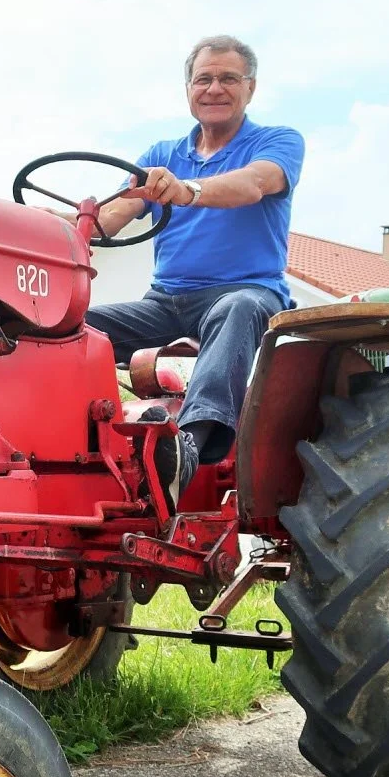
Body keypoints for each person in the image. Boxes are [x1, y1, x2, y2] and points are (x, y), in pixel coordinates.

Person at [82, 35, 305, 504]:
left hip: (246, 291)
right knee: (75, 326)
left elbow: (254, 183)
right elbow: (106, 220)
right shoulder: (161, 154)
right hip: (164, 302)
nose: (214, 88)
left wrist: (187, 191)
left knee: (239, 307)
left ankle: (186, 447)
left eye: (228, 78)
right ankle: (76, 444)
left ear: (251, 88)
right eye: (203, 78)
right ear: (188, 89)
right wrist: (44, 220)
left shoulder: (276, 142)